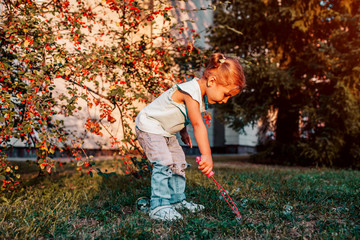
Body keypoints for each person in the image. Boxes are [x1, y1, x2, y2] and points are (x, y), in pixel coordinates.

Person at [135, 52, 246, 221]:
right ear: (212, 81)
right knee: (164, 161)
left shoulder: (198, 96)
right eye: (226, 95)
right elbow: (198, 124)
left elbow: (180, 113)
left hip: (165, 130)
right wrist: (207, 155)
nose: (224, 101)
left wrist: (183, 131)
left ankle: (176, 200)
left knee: (178, 162)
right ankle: (159, 206)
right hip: (149, 126)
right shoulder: (191, 91)